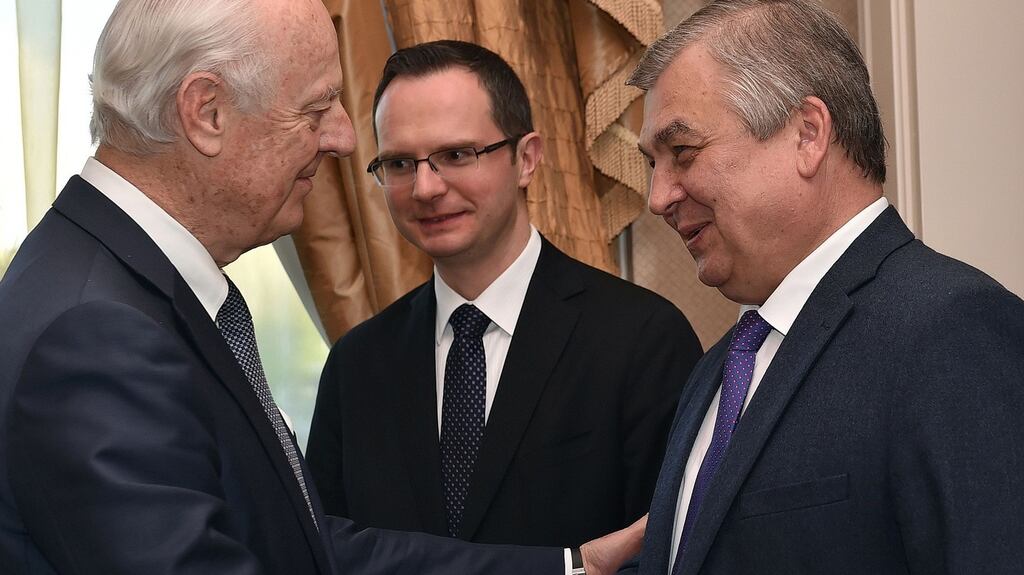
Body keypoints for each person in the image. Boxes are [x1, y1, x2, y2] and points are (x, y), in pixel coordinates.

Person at [0, 1, 643, 573]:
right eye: (315, 108)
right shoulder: (98, 331)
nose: (341, 138)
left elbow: (302, 545)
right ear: (207, 112)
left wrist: (570, 566)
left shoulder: (124, 287)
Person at [626, 1, 1024, 574]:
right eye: (652, 166)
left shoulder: (952, 331)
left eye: (683, 153)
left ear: (807, 135)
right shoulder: (720, 368)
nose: (658, 197)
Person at [306, 39, 702, 552]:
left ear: (527, 159)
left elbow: (669, 551)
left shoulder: (642, 340)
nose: (425, 188)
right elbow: (324, 553)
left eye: (455, 154)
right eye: (400, 164)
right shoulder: (356, 365)